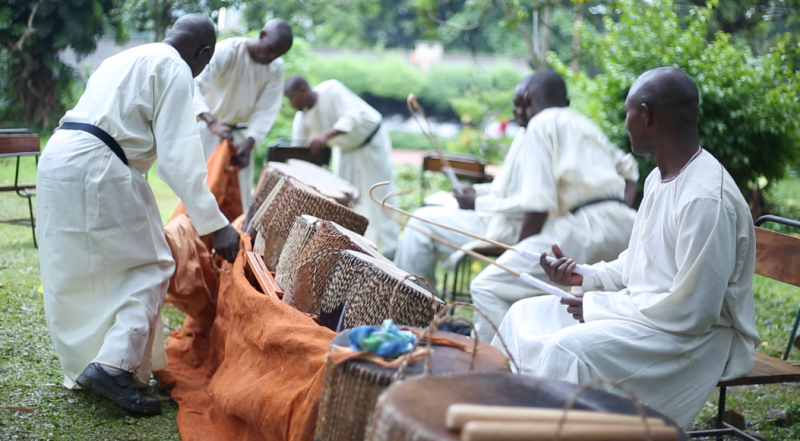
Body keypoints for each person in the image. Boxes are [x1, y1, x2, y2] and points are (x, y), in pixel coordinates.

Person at [491, 67, 759, 427]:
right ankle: (501, 423)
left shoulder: (706, 198)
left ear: (646, 115)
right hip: (645, 315)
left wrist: (598, 306)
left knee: (565, 350)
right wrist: (584, 276)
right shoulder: (659, 178)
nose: (626, 124)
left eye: (628, 113)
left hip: (688, 340)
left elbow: (694, 313)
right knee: (523, 315)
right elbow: (641, 261)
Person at [37, 14, 240, 416]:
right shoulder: (176, 69)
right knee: (151, 264)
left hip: (59, 157)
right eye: (203, 65)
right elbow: (178, 160)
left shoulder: (125, 58)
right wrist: (217, 225)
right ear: (203, 53)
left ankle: (91, 365)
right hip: (100, 167)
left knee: (77, 268)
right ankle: (112, 367)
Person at [393, 72, 638, 328]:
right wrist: (478, 195)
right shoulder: (584, 125)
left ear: (531, 100)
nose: (514, 110)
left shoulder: (539, 125)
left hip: (562, 229)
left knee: (487, 285)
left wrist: (521, 252)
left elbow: (538, 203)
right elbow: (629, 169)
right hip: (622, 224)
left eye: (521, 102)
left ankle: (420, 323)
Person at [285, 75, 399, 255]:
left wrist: (325, 136)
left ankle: (390, 250)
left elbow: (352, 117)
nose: (291, 103)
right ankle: (357, 247)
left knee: (378, 195)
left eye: (292, 98)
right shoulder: (302, 116)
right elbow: (298, 147)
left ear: (302, 90)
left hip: (371, 143)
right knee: (347, 199)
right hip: (345, 150)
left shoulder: (331, 89)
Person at [194, 19, 293, 210]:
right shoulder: (228, 51)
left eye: (278, 54)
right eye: (270, 49)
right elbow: (195, 84)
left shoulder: (276, 67)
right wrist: (211, 122)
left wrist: (249, 143)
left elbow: (266, 109)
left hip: (241, 140)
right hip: (209, 133)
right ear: (262, 35)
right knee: (203, 192)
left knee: (239, 200)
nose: (271, 56)